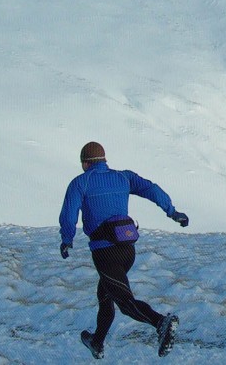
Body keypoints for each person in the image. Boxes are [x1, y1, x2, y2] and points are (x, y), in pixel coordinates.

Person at [59, 141, 190, 359]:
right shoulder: (123, 177)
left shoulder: (81, 182)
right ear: (104, 160)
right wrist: (172, 212)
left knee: (125, 303)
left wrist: (66, 239)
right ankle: (97, 342)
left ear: (85, 163)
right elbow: (151, 189)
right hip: (127, 250)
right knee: (105, 294)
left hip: (104, 253)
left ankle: (160, 323)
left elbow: (68, 214)